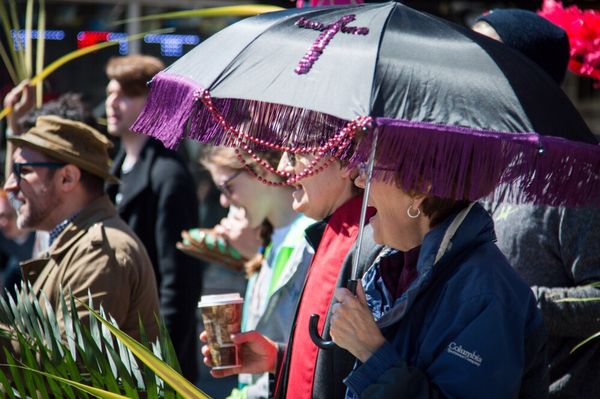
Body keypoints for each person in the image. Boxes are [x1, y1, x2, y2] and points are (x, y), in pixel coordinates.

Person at [328, 162, 548, 398]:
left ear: (418, 190)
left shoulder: (487, 293)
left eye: (369, 168)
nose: (359, 181)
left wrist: (372, 352)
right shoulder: (390, 268)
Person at [473, 10, 600, 399]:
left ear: (526, 74)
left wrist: (523, 303)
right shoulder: (479, 166)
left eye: (484, 54)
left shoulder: (578, 175)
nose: (467, 63)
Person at [201, 152, 384, 398]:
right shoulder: (332, 235)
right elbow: (330, 363)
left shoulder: (369, 243)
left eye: (297, 153)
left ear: (345, 162)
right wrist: (279, 357)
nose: (284, 166)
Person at [3, 115, 160, 340]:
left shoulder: (98, 254)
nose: (10, 186)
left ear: (67, 178)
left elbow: (70, 367)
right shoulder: (79, 244)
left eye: (24, 171)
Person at [104, 55, 204, 380]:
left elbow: (180, 284)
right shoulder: (114, 169)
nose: (112, 103)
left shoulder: (168, 176)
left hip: (153, 361)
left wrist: (162, 364)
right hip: (116, 351)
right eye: (110, 93)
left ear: (153, 104)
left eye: (126, 95)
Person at [200, 146, 314, 399]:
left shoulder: (307, 239)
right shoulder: (274, 240)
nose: (224, 200)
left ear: (261, 169)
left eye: (227, 187)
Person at [0, 188, 34, 298]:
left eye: (9, 216)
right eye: (0, 217)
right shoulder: (2, 236)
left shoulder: (40, 235)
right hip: (18, 268)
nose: (3, 223)